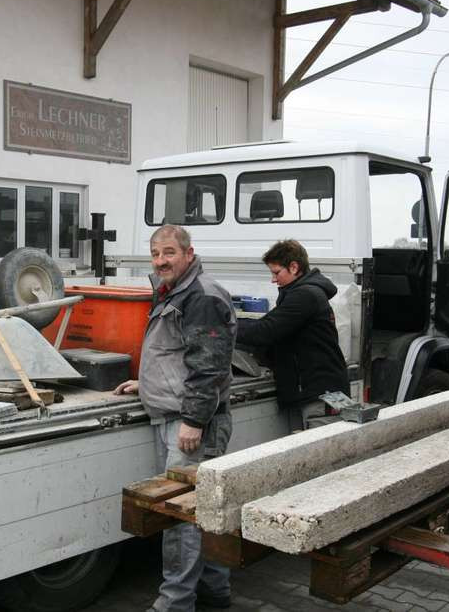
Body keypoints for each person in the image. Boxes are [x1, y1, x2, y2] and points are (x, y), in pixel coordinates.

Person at [114, 225, 236, 612]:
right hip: (174, 413)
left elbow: (208, 366)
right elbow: (176, 353)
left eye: (169, 252)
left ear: (188, 253)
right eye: (155, 254)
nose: (161, 260)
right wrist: (146, 382)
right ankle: (215, 593)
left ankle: (175, 603)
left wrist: (195, 421)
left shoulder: (201, 296)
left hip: (189, 423)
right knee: (203, 512)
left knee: (181, 517)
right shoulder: (175, 290)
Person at [236, 239, 348, 409]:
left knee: (319, 436)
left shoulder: (305, 296)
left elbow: (265, 330)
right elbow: (268, 323)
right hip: (316, 391)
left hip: (320, 395)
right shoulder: (301, 292)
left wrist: (223, 326)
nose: (273, 280)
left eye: (276, 273)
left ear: (294, 267)